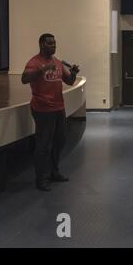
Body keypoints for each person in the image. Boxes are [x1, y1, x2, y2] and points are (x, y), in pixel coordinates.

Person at [21, 33, 80, 191]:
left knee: (60, 141)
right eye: (49, 44)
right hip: (42, 109)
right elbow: (24, 79)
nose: (53, 46)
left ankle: (54, 171)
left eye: (54, 43)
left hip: (58, 108)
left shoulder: (57, 62)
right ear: (41, 45)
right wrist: (42, 69)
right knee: (43, 145)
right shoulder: (34, 62)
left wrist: (73, 72)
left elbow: (69, 81)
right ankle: (41, 178)